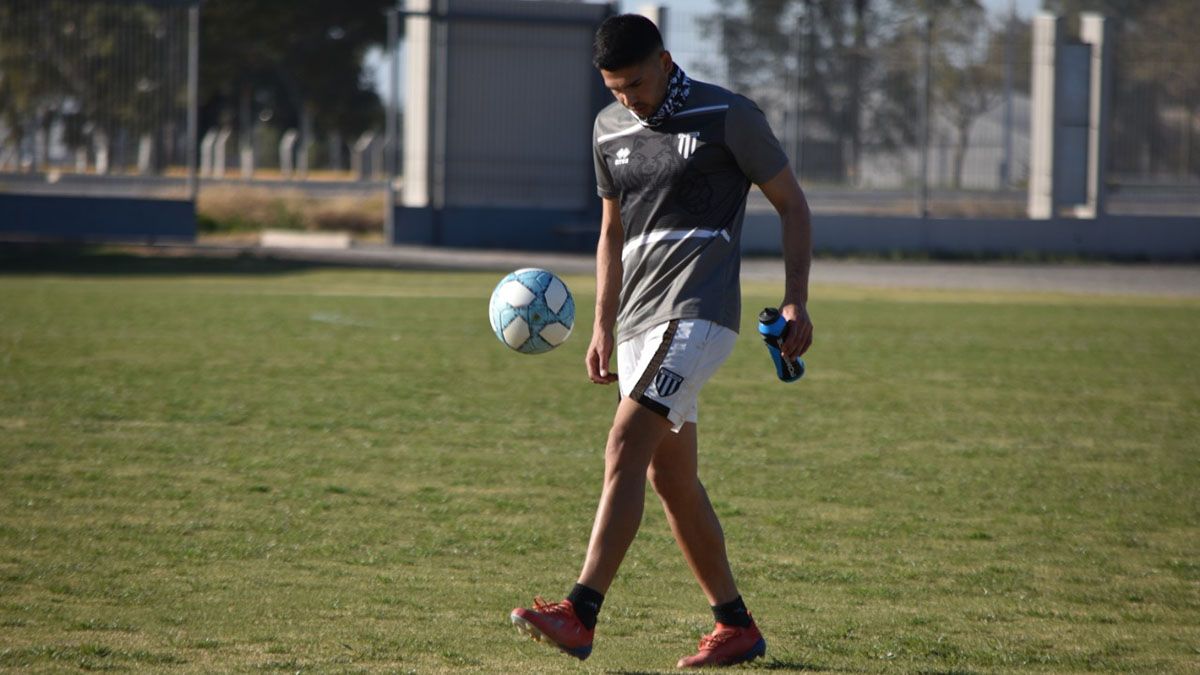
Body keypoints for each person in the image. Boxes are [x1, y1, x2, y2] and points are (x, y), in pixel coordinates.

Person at [511, 13, 813, 669]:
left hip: (699, 314)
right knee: (670, 476)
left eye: (637, 84)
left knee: (623, 442)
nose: (629, 100)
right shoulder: (608, 129)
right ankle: (736, 624)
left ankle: (580, 611)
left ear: (667, 61)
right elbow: (612, 233)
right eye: (615, 89)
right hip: (637, 326)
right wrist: (601, 322)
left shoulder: (728, 115)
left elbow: (792, 203)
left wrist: (796, 299)